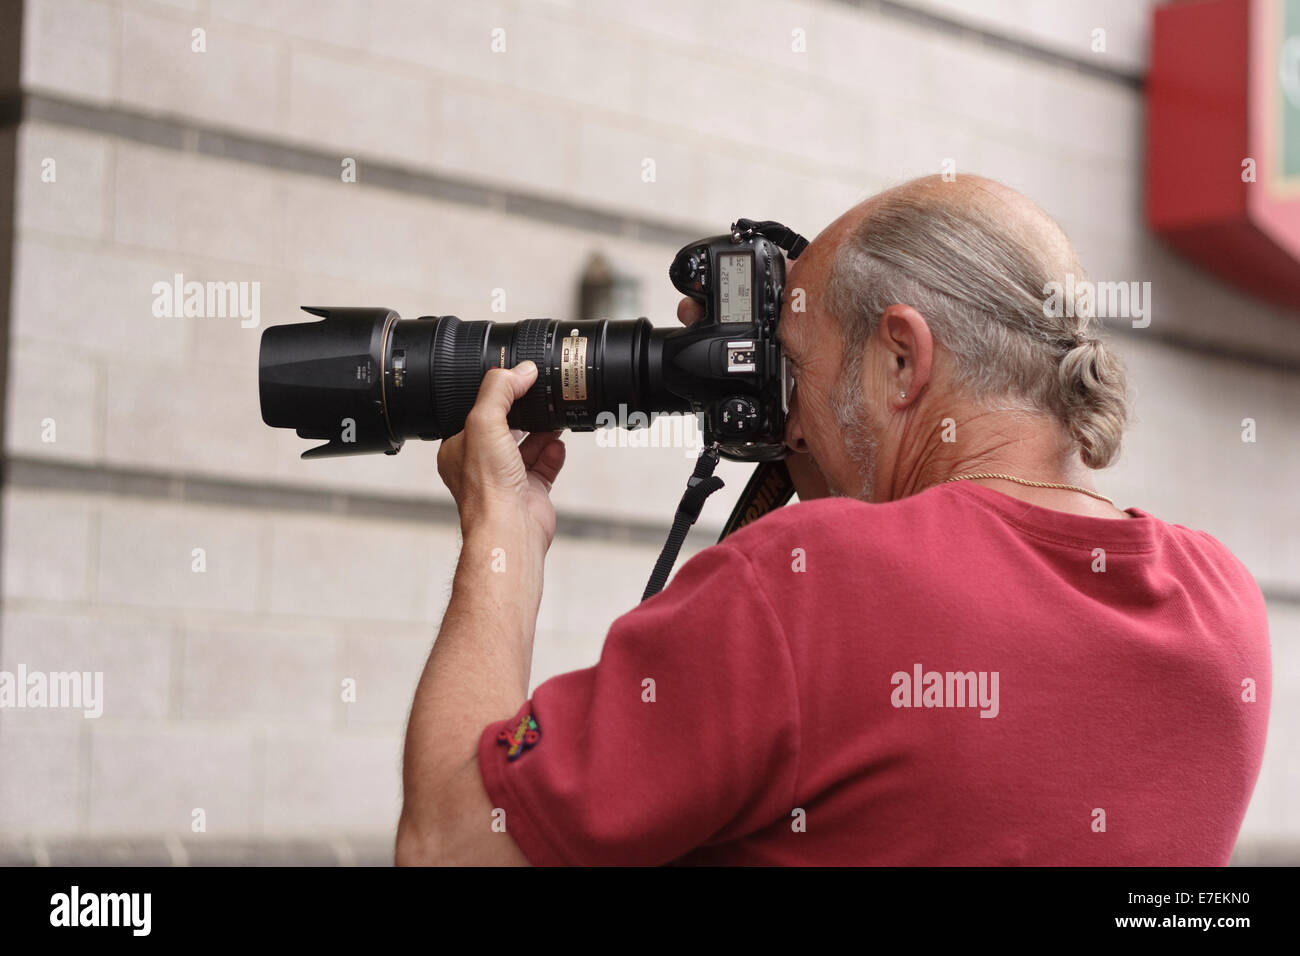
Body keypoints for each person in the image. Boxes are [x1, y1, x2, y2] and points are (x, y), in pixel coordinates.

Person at [395, 174, 1271, 866]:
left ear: (902, 358)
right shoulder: (1222, 607)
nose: (794, 426)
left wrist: (501, 528)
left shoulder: (814, 580)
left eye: (797, 375)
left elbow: (451, 844)